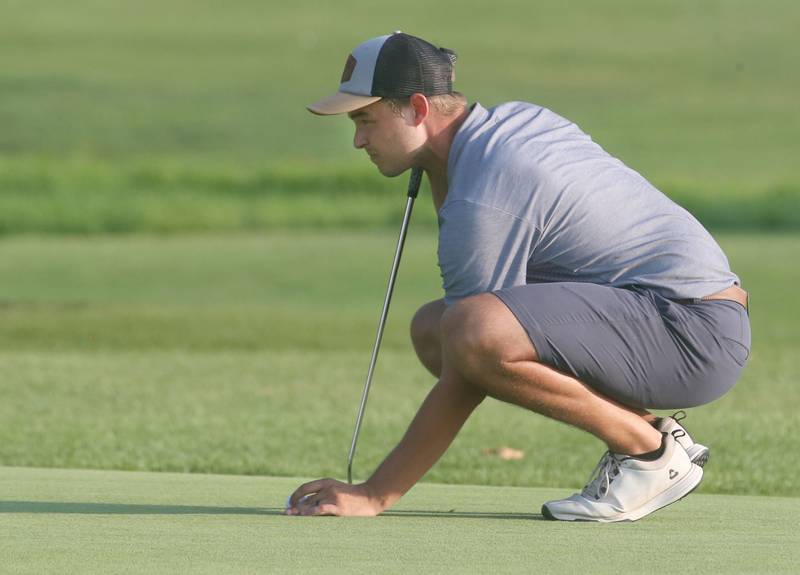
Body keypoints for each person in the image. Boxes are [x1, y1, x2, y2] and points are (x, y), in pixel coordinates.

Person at [285, 32, 750, 522]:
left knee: (467, 330)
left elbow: (474, 348)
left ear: (418, 109)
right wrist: (432, 165)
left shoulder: (486, 188)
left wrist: (376, 493)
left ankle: (650, 454)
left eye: (365, 120)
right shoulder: (503, 127)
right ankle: (649, 438)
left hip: (692, 334)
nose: (358, 140)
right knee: (434, 330)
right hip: (675, 318)